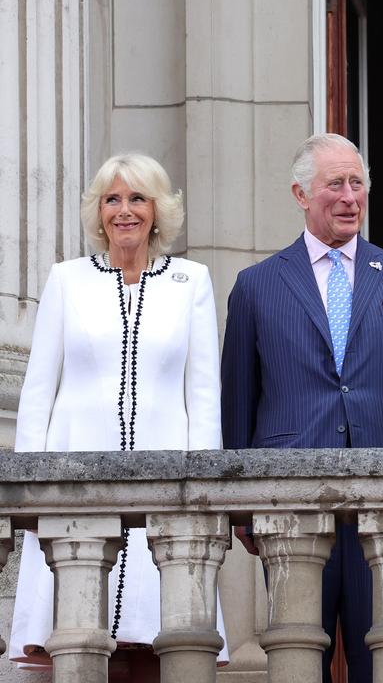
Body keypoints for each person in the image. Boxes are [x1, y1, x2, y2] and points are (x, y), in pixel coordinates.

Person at [221, 133, 383, 683]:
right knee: (297, 658)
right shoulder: (255, 286)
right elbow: (238, 405)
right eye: (335, 184)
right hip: (290, 500)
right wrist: (242, 506)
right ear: (301, 193)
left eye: (358, 183)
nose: (350, 197)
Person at [9, 153, 225, 679]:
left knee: (161, 640)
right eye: (112, 198)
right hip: (74, 474)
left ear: (157, 210)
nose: (124, 211)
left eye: (137, 198)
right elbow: (38, 391)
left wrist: (208, 492)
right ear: (98, 211)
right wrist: (24, 493)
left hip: (166, 477)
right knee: (73, 641)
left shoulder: (191, 281)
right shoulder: (66, 280)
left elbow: (203, 394)